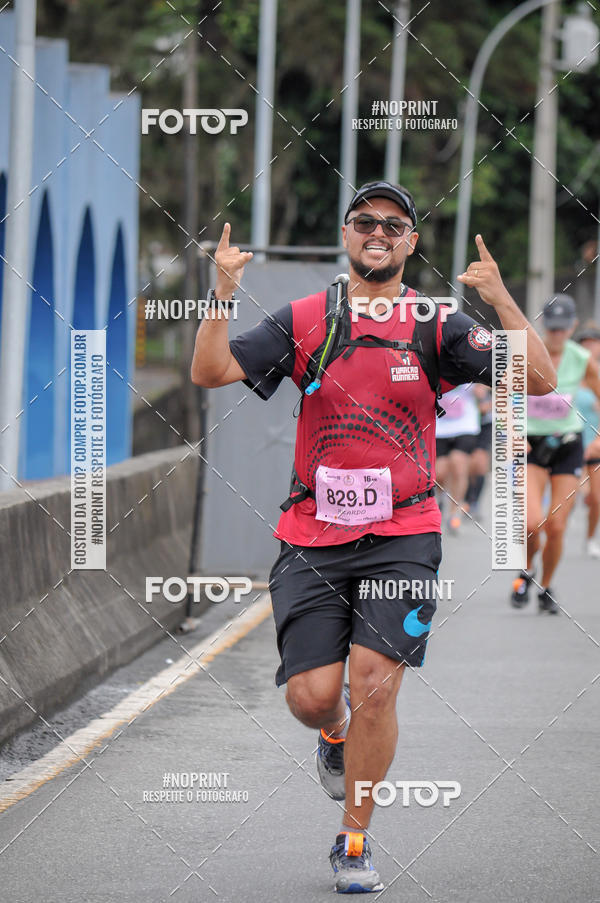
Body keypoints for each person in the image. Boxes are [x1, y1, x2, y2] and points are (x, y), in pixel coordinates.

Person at [191, 180, 556, 893]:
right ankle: (333, 732)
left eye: (394, 223)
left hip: (405, 532)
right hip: (313, 534)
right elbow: (210, 370)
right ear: (348, 234)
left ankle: (353, 841)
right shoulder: (305, 318)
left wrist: (502, 298)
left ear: (412, 242)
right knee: (311, 695)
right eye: (366, 221)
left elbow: (538, 378)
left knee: (375, 686)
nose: (379, 231)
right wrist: (223, 291)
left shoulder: (437, 324)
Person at [511, 296, 600, 614]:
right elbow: (503, 393)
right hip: (531, 446)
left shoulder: (581, 359)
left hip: (567, 445)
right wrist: (512, 432)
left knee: (557, 526)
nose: (557, 334)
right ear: (543, 325)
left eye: (563, 329)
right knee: (532, 523)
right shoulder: (527, 354)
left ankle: (546, 586)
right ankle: (527, 568)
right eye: (552, 328)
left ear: (572, 327)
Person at [435, 383, 481, 533]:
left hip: (465, 426)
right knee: (439, 472)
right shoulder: (435, 364)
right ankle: (440, 497)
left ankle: (455, 511)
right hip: (440, 427)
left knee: (458, 464)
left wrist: (481, 387)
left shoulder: (466, 363)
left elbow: (484, 388)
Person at [574, 322, 600, 557]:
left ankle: (591, 538)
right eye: (585, 343)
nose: (590, 347)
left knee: (597, 498)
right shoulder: (569, 373)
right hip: (569, 442)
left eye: (594, 343)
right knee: (567, 499)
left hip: (594, 444)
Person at [465, 385, 493, 518]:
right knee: (469, 464)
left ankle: (474, 501)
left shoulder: (494, 371)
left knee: (480, 463)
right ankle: (466, 499)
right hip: (465, 424)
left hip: (486, 424)